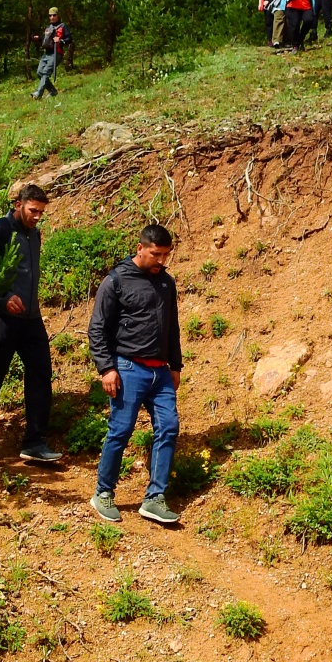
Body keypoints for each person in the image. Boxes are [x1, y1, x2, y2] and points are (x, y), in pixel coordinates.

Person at [88, 224, 183, 526]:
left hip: (161, 373)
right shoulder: (116, 280)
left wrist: (176, 366)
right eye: (156, 254)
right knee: (121, 430)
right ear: (140, 248)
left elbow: (173, 329)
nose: (161, 261)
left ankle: (155, 498)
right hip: (127, 368)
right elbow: (98, 329)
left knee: (168, 427)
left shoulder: (167, 283)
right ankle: (103, 492)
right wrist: (106, 368)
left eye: (166, 255)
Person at [0, 184, 62, 467]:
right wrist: (3, 297)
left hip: (31, 318)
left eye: (41, 212)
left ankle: (34, 442)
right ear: (18, 204)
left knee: (41, 374)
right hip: (3, 317)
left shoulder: (35, 235)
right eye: (33, 210)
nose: (37, 216)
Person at [31, 8, 73, 99]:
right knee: (39, 73)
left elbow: (69, 39)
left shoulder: (63, 26)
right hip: (46, 54)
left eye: (54, 15)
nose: (52, 17)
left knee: (46, 72)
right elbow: (45, 41)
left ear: (58, 16)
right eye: (50, 15)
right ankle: (52, 91)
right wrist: (38, 39)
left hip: (56, 53)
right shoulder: (48, 28)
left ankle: (39, 93)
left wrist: (61, 40)